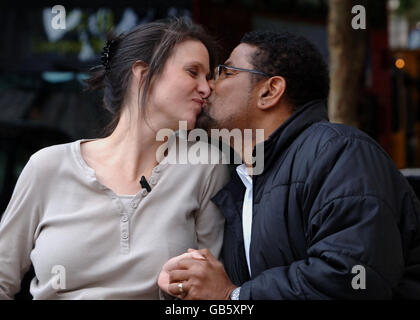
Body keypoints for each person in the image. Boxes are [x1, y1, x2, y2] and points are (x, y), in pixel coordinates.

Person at [159, 30, 420, 299]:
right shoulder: (245, 182)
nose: (208, 86)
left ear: (269, 91)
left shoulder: (340, 152)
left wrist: (232, 296)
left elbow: (352, 277)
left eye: (225, 72)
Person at [0, 18, 230, 299]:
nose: (206, 89)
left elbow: (209, 292)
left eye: (208, 77)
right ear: (143, 73)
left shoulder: (205, 166)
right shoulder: (47, 166)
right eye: (193, 72)